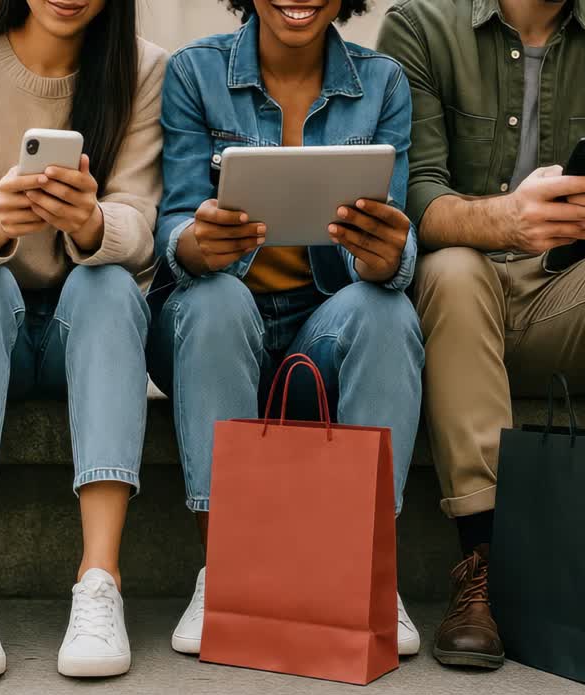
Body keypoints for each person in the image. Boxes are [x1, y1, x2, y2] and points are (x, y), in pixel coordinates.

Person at [380, 0, 585, 676]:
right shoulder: (420, 24)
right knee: (450, 269)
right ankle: (486, 566)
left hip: (576, 293)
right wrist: (505, 221)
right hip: (468, 295)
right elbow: (412, 195)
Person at [148, 0, 424, 658]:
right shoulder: (196, 73)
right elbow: (173, 226)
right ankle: (227, 569)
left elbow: (395, 234)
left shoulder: (382, 83)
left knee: (387, 308)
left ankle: (368, 575)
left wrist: (389, 256)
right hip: (213, 317)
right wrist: (193, 243)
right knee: (216, 301)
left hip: (319, 326)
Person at [0, 0, 165, 679]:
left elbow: (141, 230)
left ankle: (99, 582)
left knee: (109, 284)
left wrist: (88, 224)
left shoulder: (143, 70)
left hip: (84, 334)